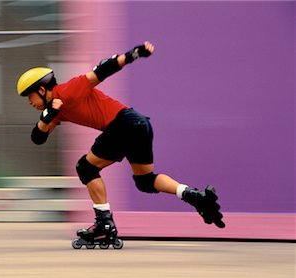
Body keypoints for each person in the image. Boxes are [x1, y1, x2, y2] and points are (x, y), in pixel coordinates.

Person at [16, 41, 225, 245]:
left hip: (123, 123)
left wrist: (134, 53)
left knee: (85, 167)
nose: (29, 102)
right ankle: (193, 196)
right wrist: (47, 117)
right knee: (145, 181)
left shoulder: (69, 90)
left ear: (42, 90)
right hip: (140, 124)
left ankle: (104, 224)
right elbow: (38, 138)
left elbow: (102, 70)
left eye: (29, 96)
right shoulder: (54, 112)